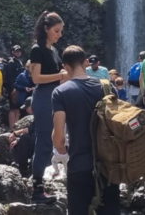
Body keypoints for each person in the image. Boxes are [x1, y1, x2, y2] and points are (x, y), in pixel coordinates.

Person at [52, 45, 121, 215]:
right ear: (85, 62)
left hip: (79, 165)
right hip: (109, 165)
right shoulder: (108, 87)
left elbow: (59, 139)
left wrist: (64, 150)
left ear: (65, 67)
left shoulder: (60, 92)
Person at [28, 11, 66, 204]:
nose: (59, 34)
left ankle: (39, 182)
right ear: (46, 29)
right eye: (56, 30)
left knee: (50, 140)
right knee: (43, 140)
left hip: (54, 96)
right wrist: (60, 75)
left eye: (61, 31)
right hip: (44, 96)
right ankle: (37, 188)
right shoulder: (38, 49)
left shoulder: (52, 50)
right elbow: (36, 78)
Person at [8, 96, 35, 177]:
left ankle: (22, 168)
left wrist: (16, 134)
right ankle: (20, 165)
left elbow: (31, 131)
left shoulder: (41, 115)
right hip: (38, 140)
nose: (26, 110)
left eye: (27, 107)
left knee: (23, 139)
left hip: (42, 142)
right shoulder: (37, 115)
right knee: (19, 141)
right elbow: (31, 130)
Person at [2, 45, 25, 127]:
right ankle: (12, 127)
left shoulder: (19, 62)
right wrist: (13, 89)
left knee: (18, 108)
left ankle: (16, 125)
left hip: (19, 88)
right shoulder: (11, 62)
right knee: (13, 108)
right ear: (12, 52)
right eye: (16, 51)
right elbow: (9, 77)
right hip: (13, 88)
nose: (18, 52)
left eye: (19, 51)